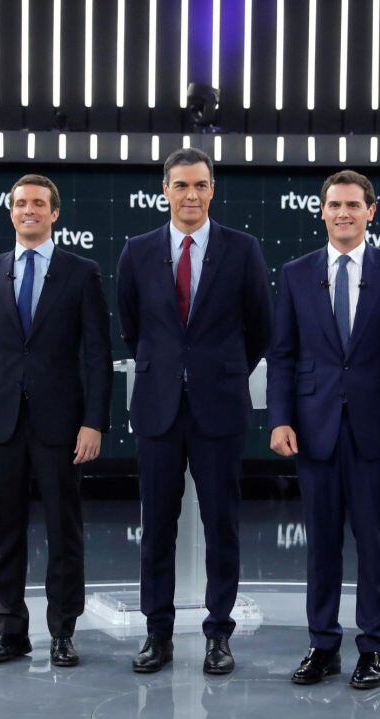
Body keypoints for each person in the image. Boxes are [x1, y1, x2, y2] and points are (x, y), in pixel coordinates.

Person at [116, 147, 272, 675]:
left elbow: (260, 329)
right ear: (165, 189)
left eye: (200, 185)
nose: (191, 195)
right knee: (156, 526)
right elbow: (134, 327)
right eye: (181, 185)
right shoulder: (137, 251)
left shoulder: (243, 249)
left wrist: (220, 371)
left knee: (221, 525)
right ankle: (156, 634)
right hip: (158, 410)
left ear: (213, 190)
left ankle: (218, 636)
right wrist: (169, 369)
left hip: (220, 410)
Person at [266, 170, 380, 689]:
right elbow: (284, 355)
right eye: (334, 204)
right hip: (314, 429)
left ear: (371, 211)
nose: (343, 213)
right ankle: (322, 644)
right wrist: (280, 418)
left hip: (378, 433)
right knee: (321, 545)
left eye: (354, 205)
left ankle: (373, 647)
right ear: (322, 211)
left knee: (375, 543)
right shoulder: (294, 273)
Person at [0, 174, 113, 668]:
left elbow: (97, 356)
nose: (30, 210)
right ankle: (11, 632)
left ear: (54, 213)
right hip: (1, 425)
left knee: (64, 533)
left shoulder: (81, 271)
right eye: (21, 203)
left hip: (62, 426)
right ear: (11, 213)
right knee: (7, 533)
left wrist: (94, 423)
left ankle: (63, 632)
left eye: (39, 204)